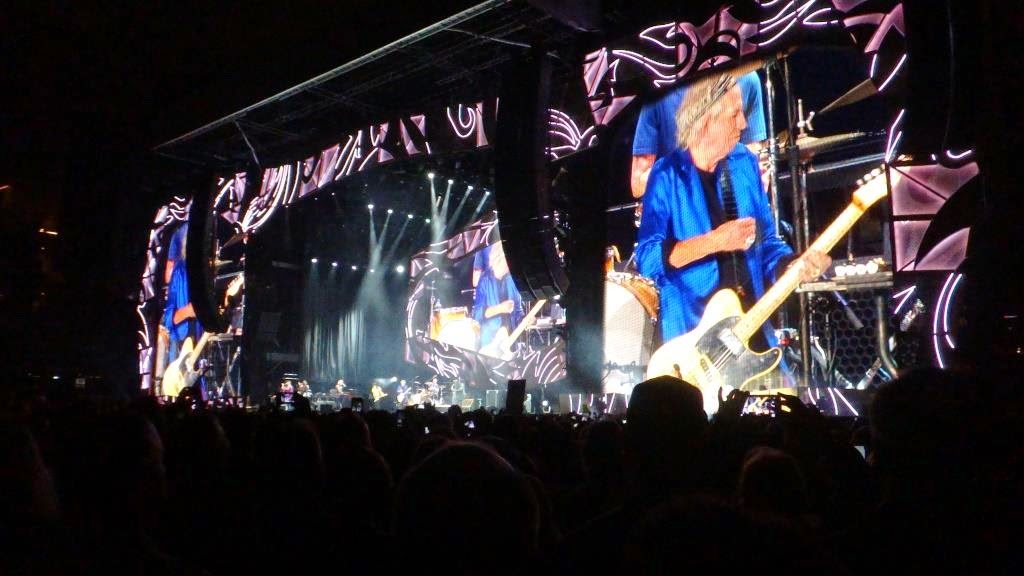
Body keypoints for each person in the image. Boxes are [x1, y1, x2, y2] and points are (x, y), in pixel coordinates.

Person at [635, 72, 829, 347]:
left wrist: (792, 264)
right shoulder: (667, 174)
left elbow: (767, 243)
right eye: (734, 114)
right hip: (692, 341)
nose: (744, 124)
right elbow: (648, 259)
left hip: (752, 328)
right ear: (705, 120)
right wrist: (713, 242)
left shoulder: (744, 162)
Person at [631, 71, 767, 200]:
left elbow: (753, 166)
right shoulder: (659, 92)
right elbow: (638, 185)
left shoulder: (747, 79)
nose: (742, 124)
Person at [472, 242, 525, 352]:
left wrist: (525, 320)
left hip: (510, 342)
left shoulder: (512, 280)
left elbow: (518, 311)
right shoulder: (484, 281)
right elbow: (477, 314)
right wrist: (499, 308)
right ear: (498, 258)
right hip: (490, 343)